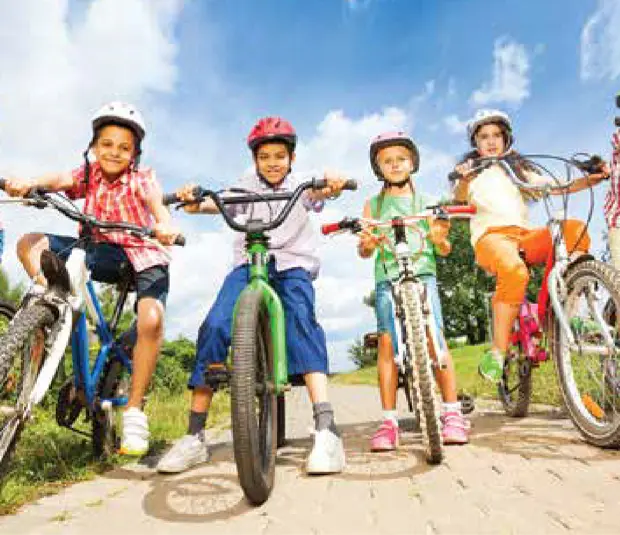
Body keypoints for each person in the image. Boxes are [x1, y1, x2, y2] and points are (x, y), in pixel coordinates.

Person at [156, 116, 350, 474]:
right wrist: (191, 198)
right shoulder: (244, 187)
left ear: (292, 158)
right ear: (255, 159)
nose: (273, 162)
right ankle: (195, 435)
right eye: (265, 156)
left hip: (292, 266)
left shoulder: (301, 185)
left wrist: (333, 182)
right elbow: (212, 204)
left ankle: (326, 430)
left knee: (301, 324)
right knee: (214, 325)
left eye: (280, 155)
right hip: (249, 265)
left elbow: (323, 192)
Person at [4, 101, 179, 455]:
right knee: (29, 244)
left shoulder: (142, 179)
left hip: (138, 255)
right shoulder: (90, 174)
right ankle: (50, 307)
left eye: (124, 148)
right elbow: (61, 180)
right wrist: (31, 183)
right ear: (94, 147)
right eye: (107, 144)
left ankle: (133, 410)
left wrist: (163, 224)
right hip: (96, 249)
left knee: (150, 320)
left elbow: (157, 203)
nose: (114, 153)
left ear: (135, 154)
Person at [451, 109, 609, 383]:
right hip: (491, 238)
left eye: (496, 135)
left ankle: (557, 314)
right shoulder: (470, 174)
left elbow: (556, 185)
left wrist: (589, 179)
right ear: (475, 144)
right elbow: (458, 198)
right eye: (484, 137)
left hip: (524, 236)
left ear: (506, 139)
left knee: (572, 230)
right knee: (515, 272)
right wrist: (463, 180)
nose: (491, 141)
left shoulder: (517, 170)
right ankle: (498, 354)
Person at [357, 131, 469, 451]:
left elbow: (444, 247)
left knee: (435, 338)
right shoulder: (374, 204)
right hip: (387, 277)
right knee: (388, 344)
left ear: (412, 163)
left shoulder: (426, 202)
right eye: (387, 161)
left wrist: (438, 238)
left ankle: (451, 412)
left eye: (401, 159)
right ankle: (389, 421)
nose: (394, 165)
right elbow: (364, 249)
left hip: (423, 275)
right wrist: (368, 242)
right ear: (378, 168)